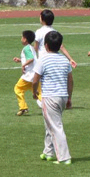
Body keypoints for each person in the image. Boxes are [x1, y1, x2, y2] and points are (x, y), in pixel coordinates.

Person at [31, 30, 73, 165]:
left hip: (50, 97)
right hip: (62, 96)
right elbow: (70, 80)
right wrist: (69, 98)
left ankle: (64, 157)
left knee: (55, 126)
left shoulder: (43, 59)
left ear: (46, 46)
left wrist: (34, 92)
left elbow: (35, 79)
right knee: (49, 123)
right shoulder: (64, 60)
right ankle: (48, 152)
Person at [13, 30, 37, 116]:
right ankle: (49, 106)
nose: (21, 38)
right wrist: (20, 60)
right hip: (35, 74)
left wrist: (23, 65)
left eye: (22, 37)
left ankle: (23, 107)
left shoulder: (26, 48)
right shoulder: (31, 48)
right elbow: (30, 59)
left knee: (18, 89)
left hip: (29, 75)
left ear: (25, 39)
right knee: (38, 92)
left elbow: (31, 59)